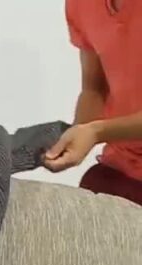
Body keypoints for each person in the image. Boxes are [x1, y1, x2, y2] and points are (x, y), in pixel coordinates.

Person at [45, 0, 142, 205]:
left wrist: (95, 132)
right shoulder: (81, 5)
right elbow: (94, 89)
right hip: (120, 168)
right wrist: (70, 136)